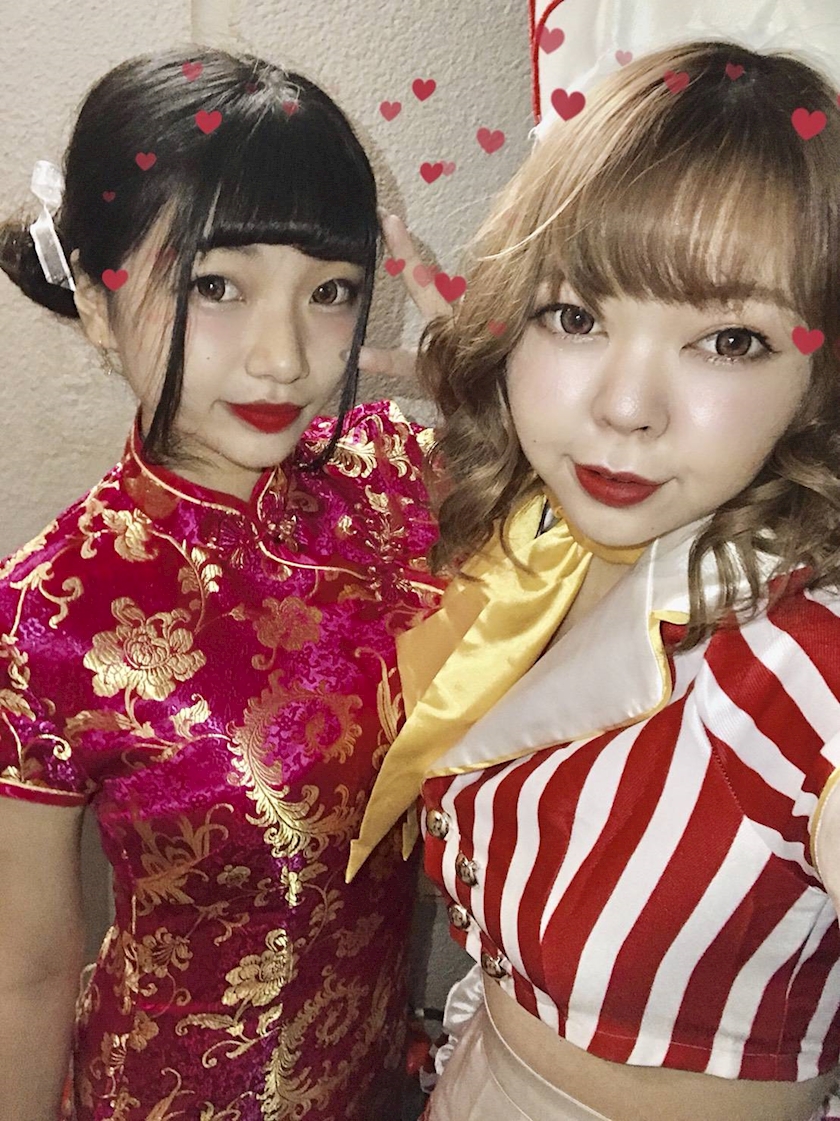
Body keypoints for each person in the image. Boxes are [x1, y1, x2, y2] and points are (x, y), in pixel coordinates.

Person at [347, 39, 840, 1121]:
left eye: (731, 340)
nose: (624, 407)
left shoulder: (805, 667)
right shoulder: (540, 547)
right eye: (575, 317)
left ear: (821, 376)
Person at [0, 46, 447, 1121]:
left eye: (330, 291)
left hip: (383, 1077)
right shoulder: (46, 614)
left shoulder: (396, 474)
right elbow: (27, 970)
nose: (284, 357)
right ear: (96, 301)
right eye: (216, 286)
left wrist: (488, 375)